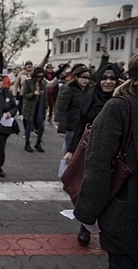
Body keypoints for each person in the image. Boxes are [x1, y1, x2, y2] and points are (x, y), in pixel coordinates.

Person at [74, 53, 138, 268]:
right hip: (127, 221)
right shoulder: (119, 107)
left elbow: (98, 166)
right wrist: (87, 214)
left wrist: (86, 214)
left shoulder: (118, 106)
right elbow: (99, 165)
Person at [63, 63, 120, 246]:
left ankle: (107, 233)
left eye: (112, 78)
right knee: (88, 190)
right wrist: (72, 150)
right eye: (104, 77)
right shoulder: (90, 97)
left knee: (114, 194)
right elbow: (81, 125)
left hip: (118, 155)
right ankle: (85, 227)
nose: (108, 82)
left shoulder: (123, 99)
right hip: (92, 152)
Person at [55, 66, 92, 156]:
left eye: (88, 78)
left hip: (83, 126)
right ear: (76, 77)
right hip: (71, 125)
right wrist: (62, 128)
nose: (86, 80)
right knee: (69, 149)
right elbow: (62, 109)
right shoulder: (69, 90)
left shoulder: (89, 91)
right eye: (83, 77)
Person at [21, 66, 57, 153]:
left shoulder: (43, 83)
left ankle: (38, 142)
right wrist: (33, 94)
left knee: (41, 126)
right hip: (30, 108)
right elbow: (24, 95)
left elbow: (46, 96)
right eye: (38, 76)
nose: (39, 78)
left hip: (40, 107)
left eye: (41, 76)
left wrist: (46, 106)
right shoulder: (28, 82)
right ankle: (27, 143)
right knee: (29, 126)